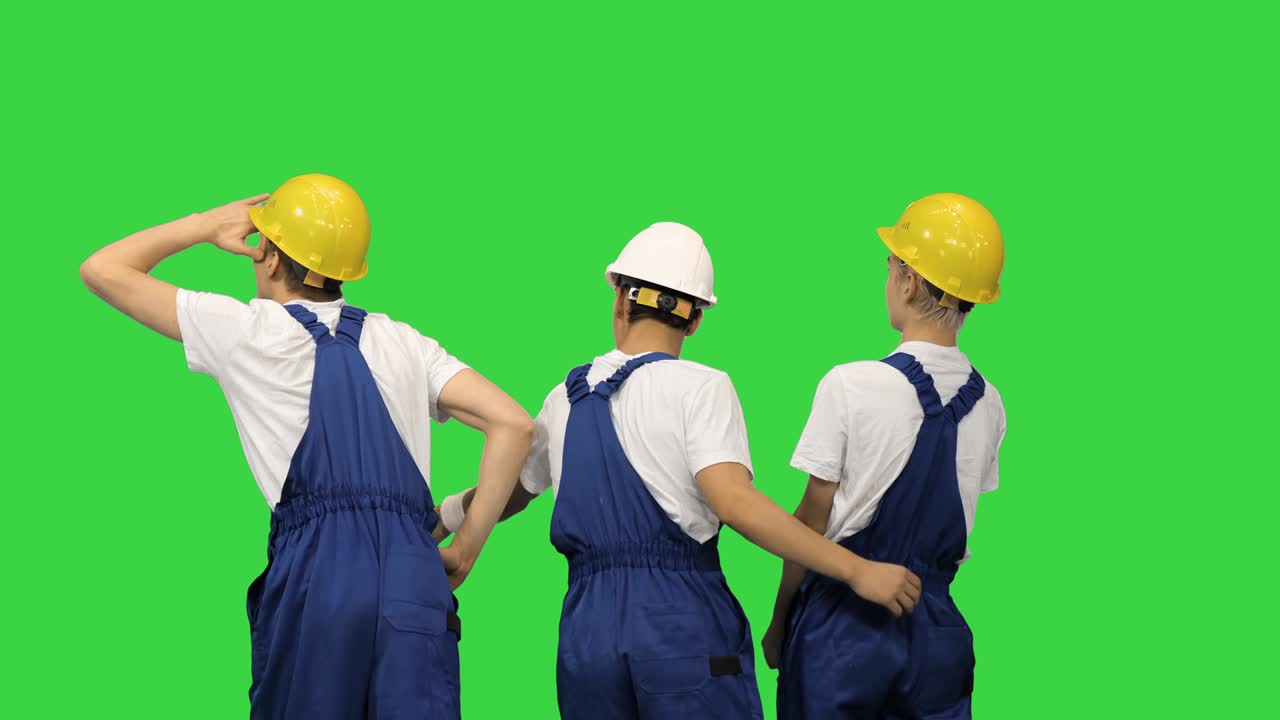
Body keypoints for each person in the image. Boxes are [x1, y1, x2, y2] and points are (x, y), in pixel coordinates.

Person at [79, 174, 533, 719]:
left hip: (320, 579)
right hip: (413, 578)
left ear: (269, 257)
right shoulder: (404, 342)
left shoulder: (247, 330)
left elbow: (102, 270)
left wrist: (205, 225)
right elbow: (513, 424)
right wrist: (464, 549)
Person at [434, 222, 921, 719]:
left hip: (587, 632)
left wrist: (447, 514)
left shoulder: (565, 397)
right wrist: (855, 569)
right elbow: (734, 502)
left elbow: (512, 491)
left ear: (620, 301)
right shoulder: (701, 387)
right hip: (679, 620)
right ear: (694, 321)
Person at [766, 193, 1008, 719]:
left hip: (843, 627)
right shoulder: (990, 403)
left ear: (910, 280)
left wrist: (781, 615)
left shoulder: (851, 383)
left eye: (891, 265)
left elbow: (810, 519)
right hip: (936, 630)